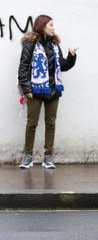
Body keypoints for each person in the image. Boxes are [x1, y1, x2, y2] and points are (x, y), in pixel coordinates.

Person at [18, 15, 77, 169]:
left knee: (50, 124)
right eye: (51, 24)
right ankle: (27, 156)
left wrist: (71, 57)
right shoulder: (30, 45)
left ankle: (48, 157)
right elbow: (23, 68)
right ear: (42, 26)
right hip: (35, 91)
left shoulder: (55, 45)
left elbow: (62, 66)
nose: (53, 27)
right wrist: (27, 89)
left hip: (53, 90)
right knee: (32, 124)